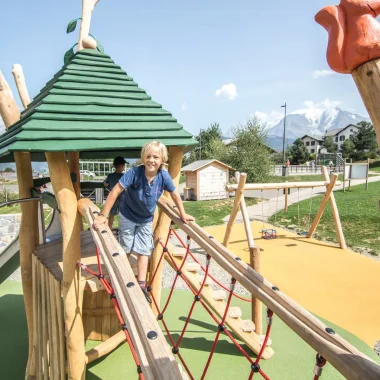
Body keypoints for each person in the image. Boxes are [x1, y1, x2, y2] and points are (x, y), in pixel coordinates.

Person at [93, 141, 194, 302]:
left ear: (162, 160)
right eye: (148, 156)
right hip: (128, 214)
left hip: (146, 219)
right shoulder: (134, 173)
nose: (151, 160)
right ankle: (119, 276)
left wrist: (183, 214)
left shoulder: (163, 176)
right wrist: (103, 215)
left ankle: (141, 284)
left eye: (156, 157)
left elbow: (175, 195)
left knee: (144, 250)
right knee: (126, 246)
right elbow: (115, 191)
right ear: (143, 158)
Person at [104, 156, 127, 228]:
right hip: (122, 197)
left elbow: (106, 184)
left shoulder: (110, 176)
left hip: (112, 197)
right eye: (124, 165)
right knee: (123, 215)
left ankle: (109, 229)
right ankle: (121, 230)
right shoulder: (124, 176)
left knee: (111, 214)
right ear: (121, 166)